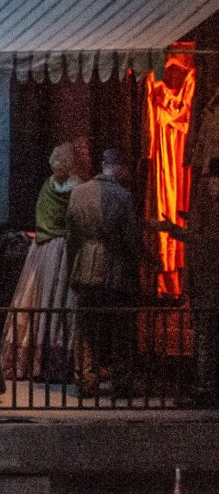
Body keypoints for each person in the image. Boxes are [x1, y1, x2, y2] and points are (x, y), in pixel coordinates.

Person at [3, 141, 84, 383]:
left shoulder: (47, 187)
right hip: (65, 250)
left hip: (43, 250)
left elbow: (42, 215)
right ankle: (58, 362)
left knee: (40, 300)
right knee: (60, 302)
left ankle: (37, 360)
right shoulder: (78, 189)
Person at [66, 148, 143, 395]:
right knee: (119, 327)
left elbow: (72, 237)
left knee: (85, 328)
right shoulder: (123, 196)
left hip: (84, 266)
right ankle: (121, 380)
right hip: (113, 268)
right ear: (119, 167)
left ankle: (85, 379)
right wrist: (141, 263)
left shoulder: (78, 193)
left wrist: (73, 267)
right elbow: (131, 238)